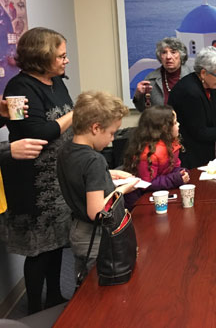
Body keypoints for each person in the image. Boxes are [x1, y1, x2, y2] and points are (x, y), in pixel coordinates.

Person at [0, 27, 74, 314]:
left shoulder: (57, 82)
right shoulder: (20, 89)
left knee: (57, 243)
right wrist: (75, 114)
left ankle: (54, 297)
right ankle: (34, 308)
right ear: (42, 57)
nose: (66, 61)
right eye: (61, 56)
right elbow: (39, 132)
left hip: (58, 177)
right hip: (34, 181)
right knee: (39, 248)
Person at [57, 91, 138, 280]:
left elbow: (79, 175)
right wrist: (123, 189)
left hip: (77, 230)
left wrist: (108, 174)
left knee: (85, 283)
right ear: (95, 128)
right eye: (111, 133)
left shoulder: (67, 149)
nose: (112, 139)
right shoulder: (94, 160)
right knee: (101, 288)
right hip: (95, 237)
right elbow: (97, 211)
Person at [121, 105, 190, 207]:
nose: (178, 125)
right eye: (175, 123)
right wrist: (175, 179)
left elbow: (174, 167)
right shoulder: (148, 154)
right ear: (165, 128)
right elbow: (147, 184)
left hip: (159, 195)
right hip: (141, 203)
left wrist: (181, 173)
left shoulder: (171, 144)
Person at [132, 37, 194, 112]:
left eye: (173, 52)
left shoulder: (193, 76)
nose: (168, 57)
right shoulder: (151, 79)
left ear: (181, 55)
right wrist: (138, 95)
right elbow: (143, 110)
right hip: (161, 123)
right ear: (160, 57)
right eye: (164, 52)